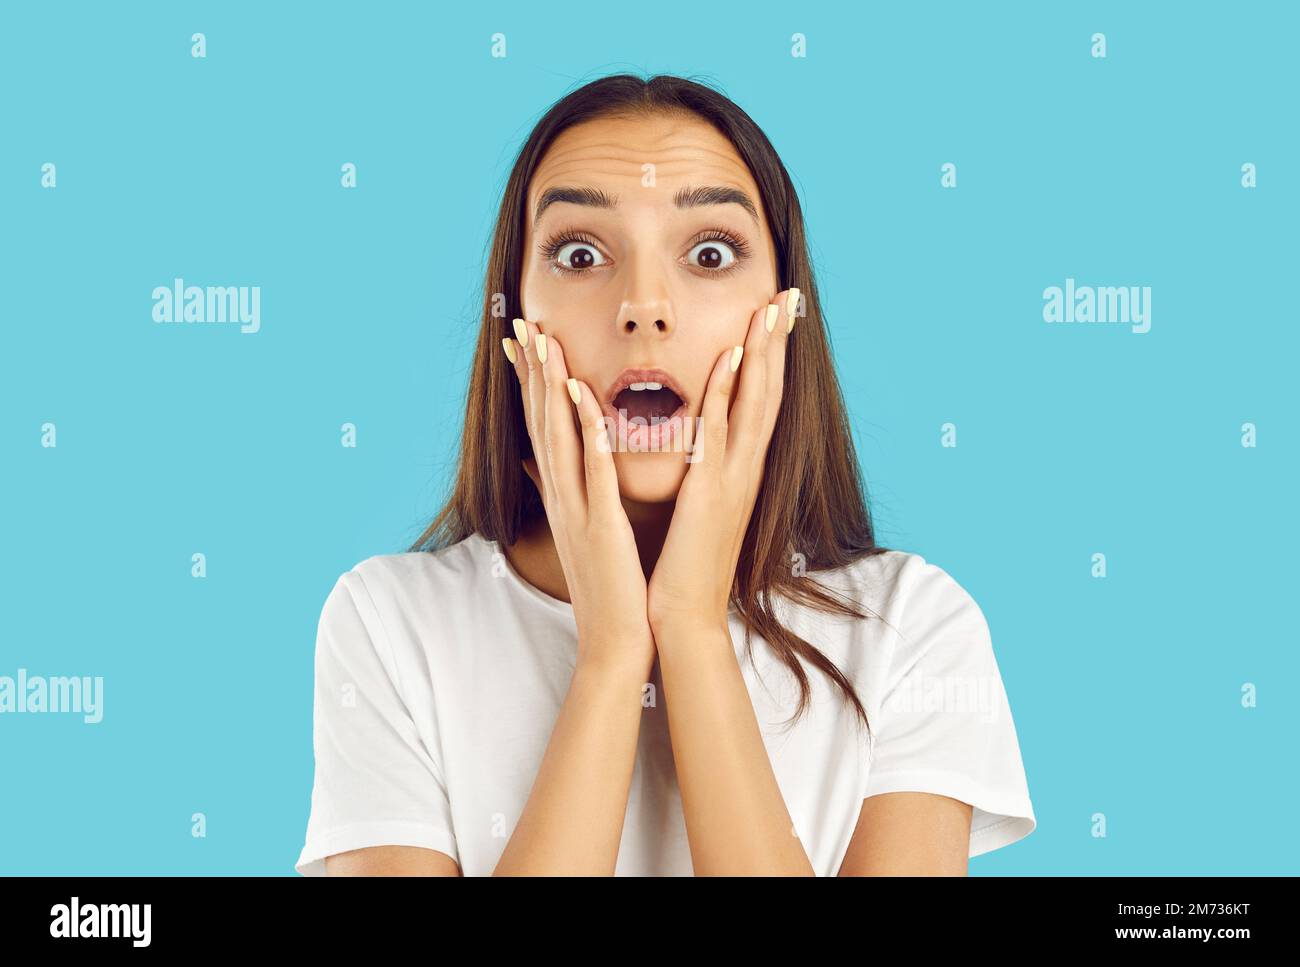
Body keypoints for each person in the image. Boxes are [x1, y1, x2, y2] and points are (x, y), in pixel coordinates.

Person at [295, 73, 1036, 876]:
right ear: (512, 317)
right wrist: (611, 656)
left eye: (710, 253)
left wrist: (690, 629)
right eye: (579, 254)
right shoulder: (389, 624)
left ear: (785, 315)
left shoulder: (913, 631)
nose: (644, 306)